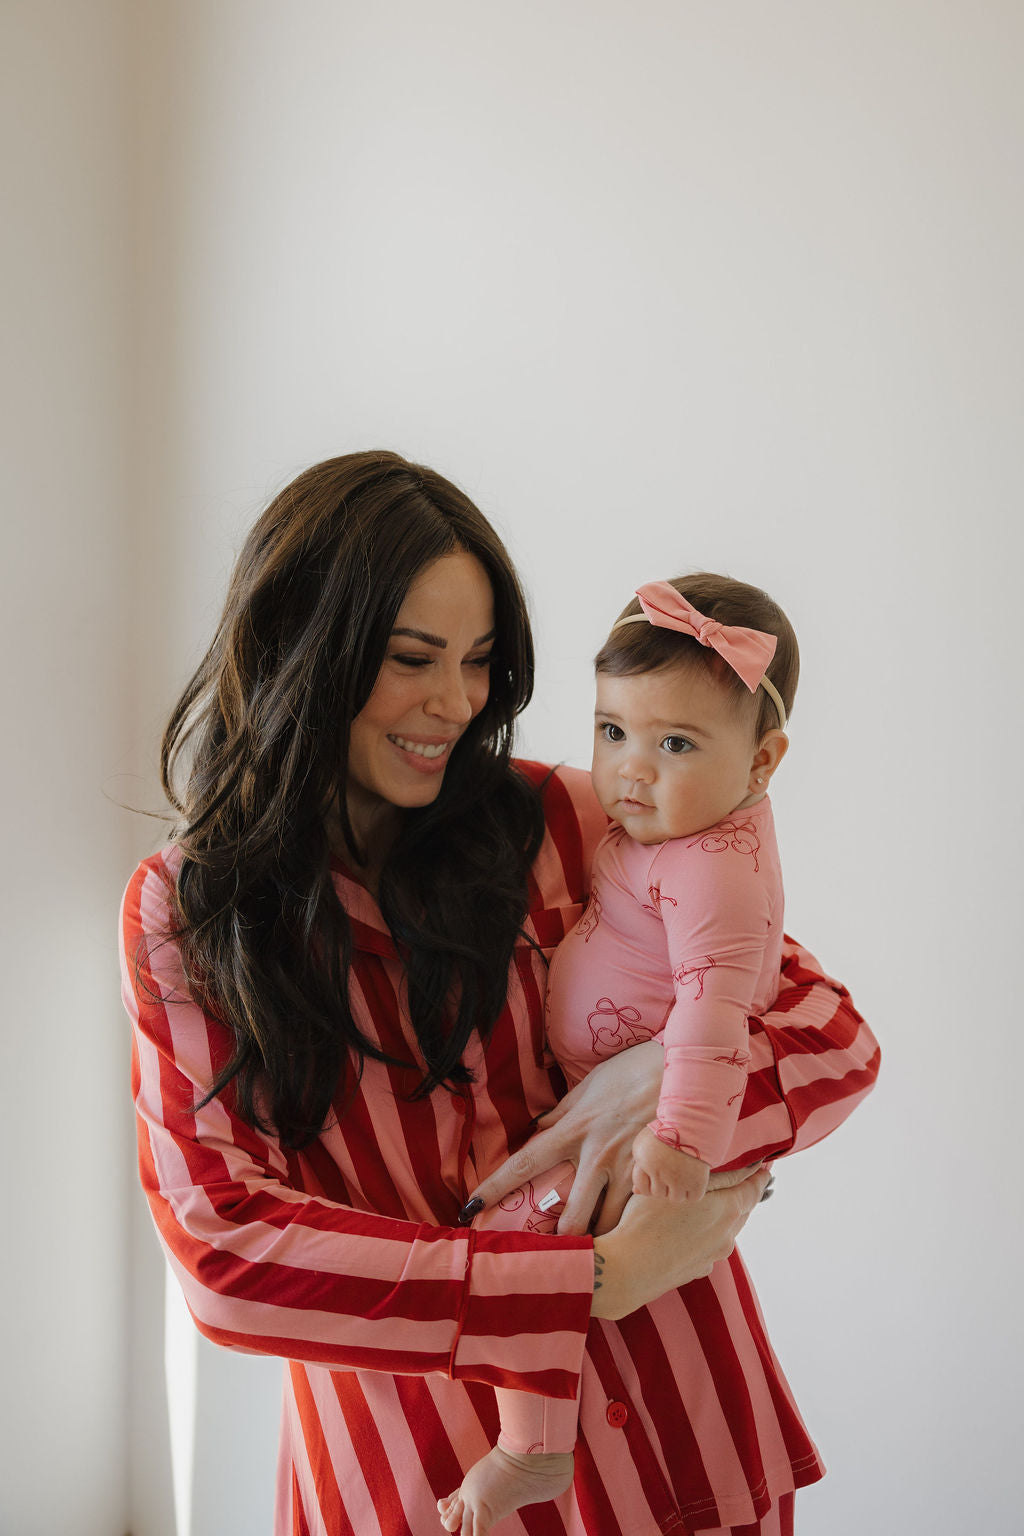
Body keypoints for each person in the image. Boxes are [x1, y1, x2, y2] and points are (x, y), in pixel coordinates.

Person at [120, 451, 879, 1536]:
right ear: (302, 647)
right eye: (410, 658)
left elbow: (831, 1036)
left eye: (479, 661)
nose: (455, 703)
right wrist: (575, 1282)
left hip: (684, 1447)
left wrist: (656, 1085)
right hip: (425, 1488)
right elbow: (224, 1253)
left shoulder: (570, 820)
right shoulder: (184, 914)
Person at [439, 574, 807, 1535]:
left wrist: (680, 1143)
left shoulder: (716, 872)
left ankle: (530, 1445)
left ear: (762, 761)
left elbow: (719, 1015)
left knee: (507, 1250)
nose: (630, 771)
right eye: (613, 732)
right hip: (620, 1107)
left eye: (675, 744)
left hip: (652, 1144)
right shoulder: (676, 825)